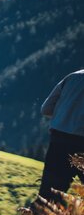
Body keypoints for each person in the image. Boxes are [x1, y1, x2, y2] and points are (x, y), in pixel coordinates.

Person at [38, 70, 84, 204]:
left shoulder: (72, 77)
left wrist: (65, 115)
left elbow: (45, 109)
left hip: (59, 142)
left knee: (48, 196)